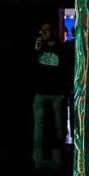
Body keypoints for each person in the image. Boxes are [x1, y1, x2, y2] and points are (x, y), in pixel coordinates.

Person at [32, 21, 70, 168]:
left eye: (46, 30)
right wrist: (36, 51)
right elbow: (33, 70)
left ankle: (57, 157)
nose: (43, 33)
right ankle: (38, 157)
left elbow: (66, 71)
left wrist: (64, 92)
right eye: (42, 30)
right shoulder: (40, 49)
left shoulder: (63, 49)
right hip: (40, 93)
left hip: (57, 94)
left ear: (54, 31)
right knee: (39, 127)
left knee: (59, 127)